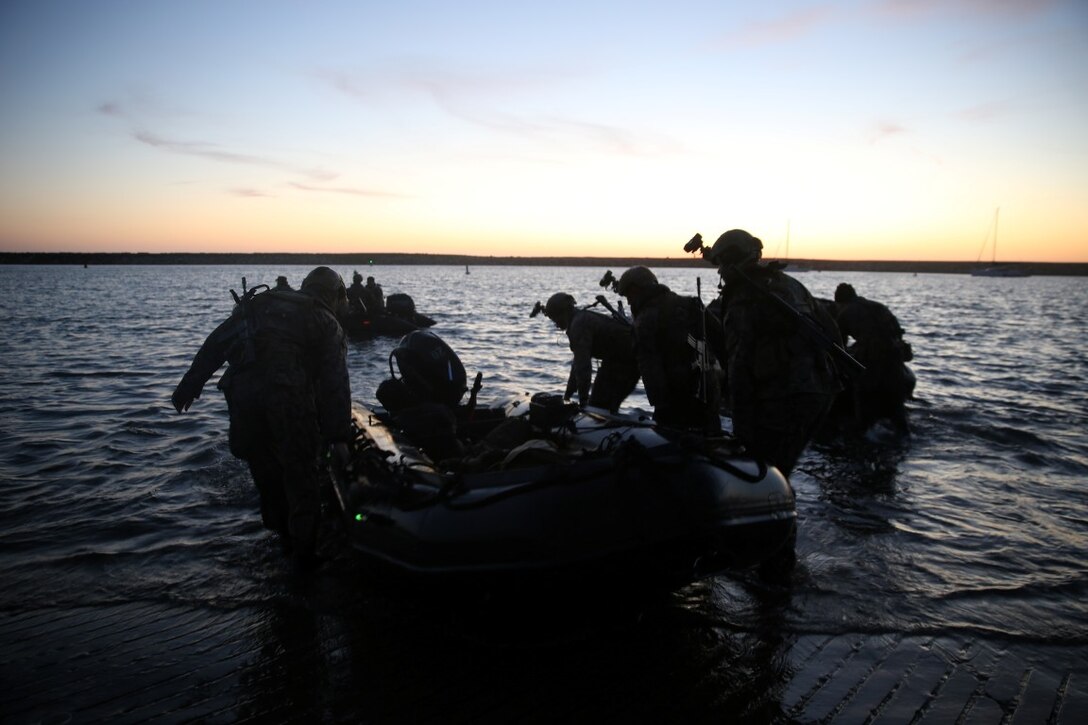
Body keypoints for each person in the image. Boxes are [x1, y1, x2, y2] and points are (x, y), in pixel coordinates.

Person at [170, 266, 353, 572]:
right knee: (301, 476)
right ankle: (304, 560)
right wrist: (338, 437)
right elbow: (335, 383)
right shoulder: (324, 320)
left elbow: (217, 342)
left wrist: (190, 385)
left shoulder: (260, 304)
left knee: (266, 474)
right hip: (288, 401)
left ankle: (281, 541)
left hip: (243, 400)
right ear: (335, 294)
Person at [702, 230, 840, 476]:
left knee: (764, 471)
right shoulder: (789, 284)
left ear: (731, 261)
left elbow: (739, 368)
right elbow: (831, 329)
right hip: (820, 391)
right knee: (780, 469)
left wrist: (741, 432)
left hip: (784, 398)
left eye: (721, 264)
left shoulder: (743, 299)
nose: (720, 272)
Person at [615, 266, 722, 432]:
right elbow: (720, 338)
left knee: (671, 447)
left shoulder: (645, 320)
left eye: (629, 295)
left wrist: (661, 405)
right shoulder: (692, 304)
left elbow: (648, 366)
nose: (628, 302)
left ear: (636, 289)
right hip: (708, 391)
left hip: (674, 399)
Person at [832, 282, 913, 435]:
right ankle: (904, 433)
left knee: (862, 392)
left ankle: (862, 432)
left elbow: (839, 346)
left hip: (872, 356)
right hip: (895, 354)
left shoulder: (845, 312)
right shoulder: (878, 306)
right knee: (895, 398)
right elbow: (897, 331)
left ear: (839, 301)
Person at [540, 292, 640, 412]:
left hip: (626, 362)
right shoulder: (580, 319)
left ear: (562, 313)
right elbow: (577, 364)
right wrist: (567, 396)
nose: (556, 324)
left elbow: (584, 368)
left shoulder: (578, 325)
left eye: (554, 319)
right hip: (621, 360)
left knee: (598, 407)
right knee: (602, 405)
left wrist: (583, 402)